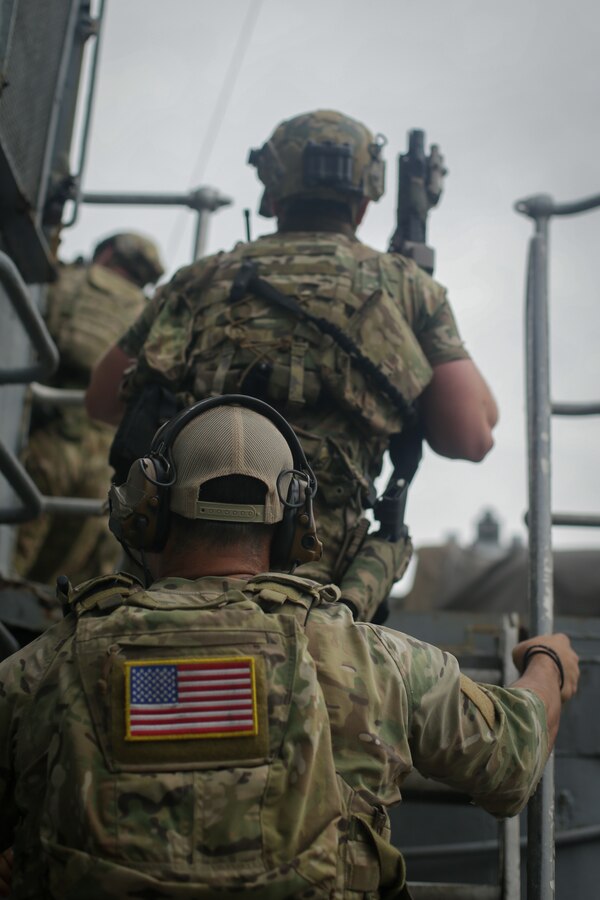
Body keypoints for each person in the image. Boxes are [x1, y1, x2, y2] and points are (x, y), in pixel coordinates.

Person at [0, 395, 578, 898]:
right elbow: (513, 758)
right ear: (292, 525)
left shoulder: (39, 669)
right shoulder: (375, 662)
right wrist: (548, 662)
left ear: (146, 514)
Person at [85, 109, 498, 622]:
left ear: (273, 192)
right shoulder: (406, 288)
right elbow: (471, 437)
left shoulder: (201, 278)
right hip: (320, 595)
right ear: (365, 201)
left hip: (177, 576)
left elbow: (102, 399)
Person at [13, 232, 164, 587]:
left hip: (41, 440)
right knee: (65, 588)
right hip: (105, 463)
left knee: (12, 557)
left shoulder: (65, 282)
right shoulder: (148, 314)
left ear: (107, 252)